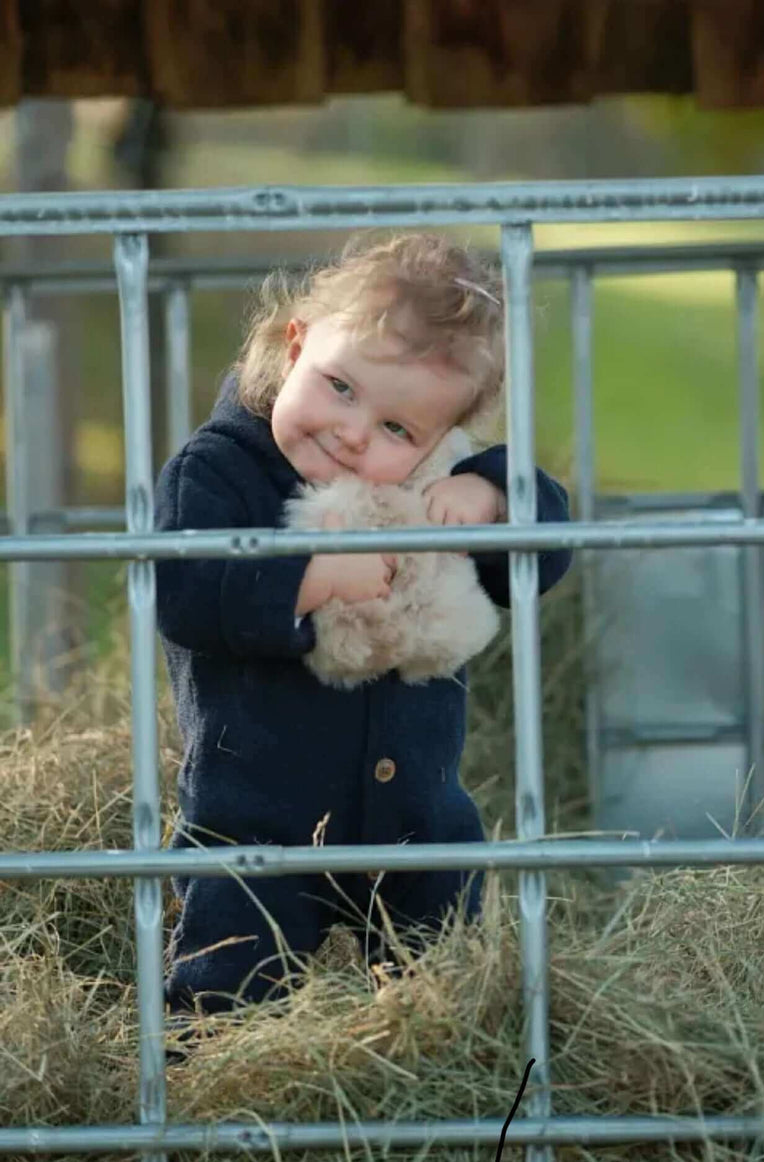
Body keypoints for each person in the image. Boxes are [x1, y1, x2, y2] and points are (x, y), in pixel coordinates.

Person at [154, 232, 571, 1016]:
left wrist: (495, 498)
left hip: (419, 818)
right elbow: (182, 591)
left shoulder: (438, 482)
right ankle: (214, 1086)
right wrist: (310, 578)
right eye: (340, 387)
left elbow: (545, 559)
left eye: (396, 429)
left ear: (437, 437)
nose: (353, 433)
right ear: (297, 342)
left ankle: (437, 1078)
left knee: (446, 988)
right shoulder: (218, 470)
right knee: (232, 990)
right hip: (256, 822)